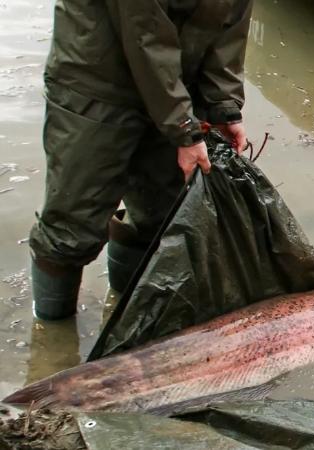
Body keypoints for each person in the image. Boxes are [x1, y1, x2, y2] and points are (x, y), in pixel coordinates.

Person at [28, 1, 253, 320]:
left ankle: (125, 312)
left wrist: (223, 107)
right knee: (71, 226)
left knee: (157, 215)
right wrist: (184, 129)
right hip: (96, 82)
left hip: (175, 86)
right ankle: (52, 339)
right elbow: (144, 31)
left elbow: (229, 29)